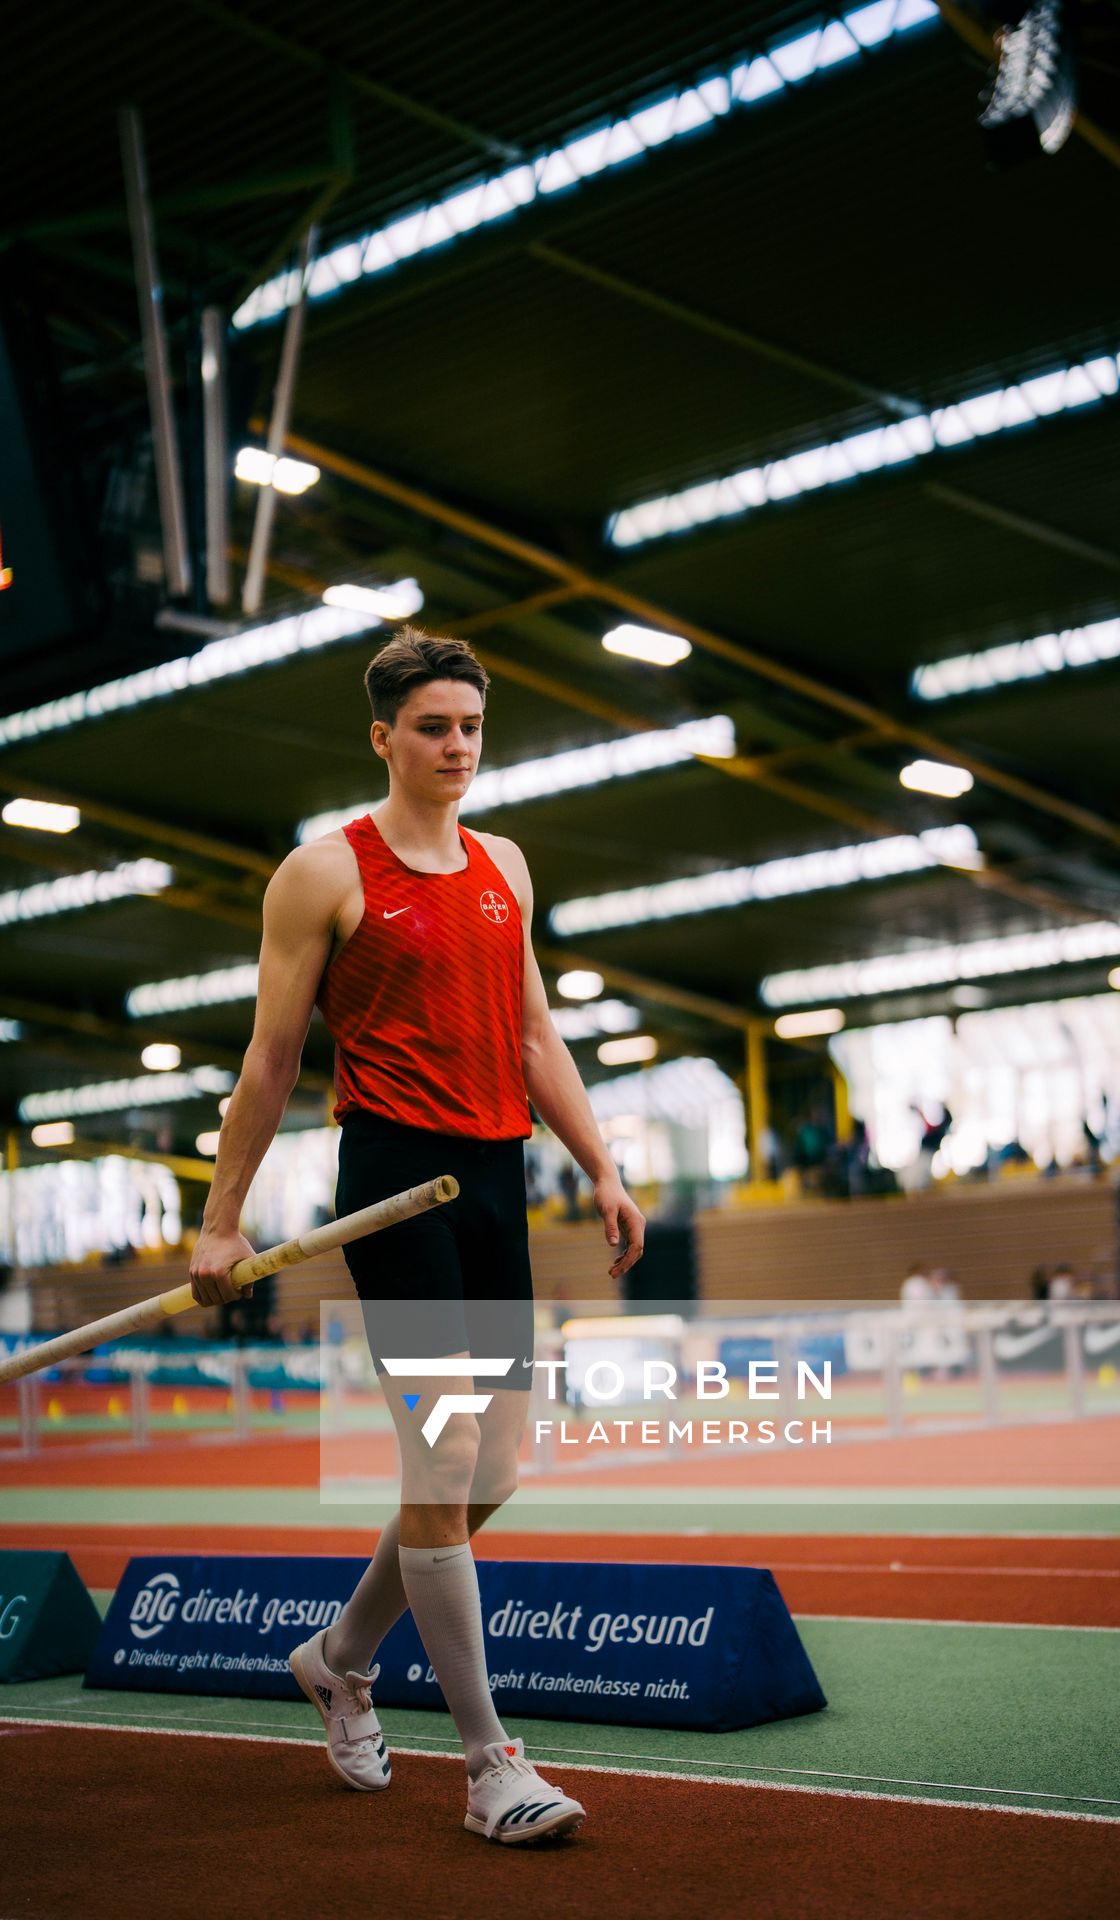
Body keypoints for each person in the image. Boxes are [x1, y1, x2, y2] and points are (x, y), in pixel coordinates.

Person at [190, 628, 645, 1845]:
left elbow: (535, 1034)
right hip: (395, 1184)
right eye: (434, 727)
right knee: (439, 1473)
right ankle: (491, 1764)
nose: (456, 748)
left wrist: (600, 1164)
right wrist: (221, 1220)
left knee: (488, 1476)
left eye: (471, 729)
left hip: (495, 1179)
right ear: (383, 735)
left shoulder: (505, 863)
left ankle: (339, 1656)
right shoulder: (322, 873)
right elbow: (272, 1057)